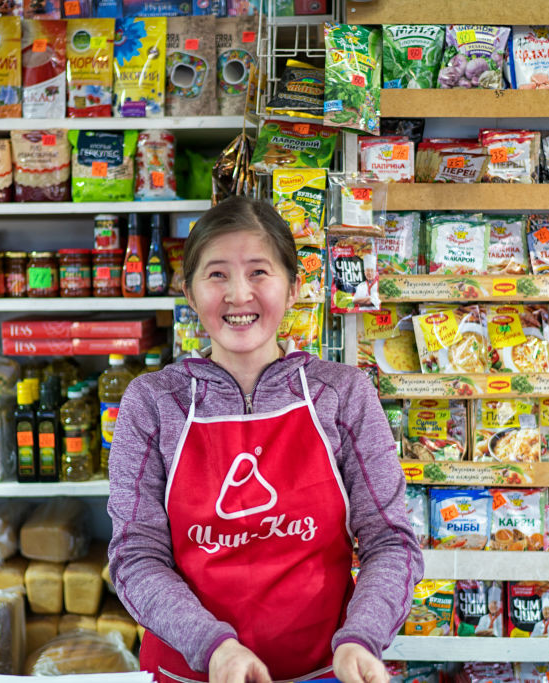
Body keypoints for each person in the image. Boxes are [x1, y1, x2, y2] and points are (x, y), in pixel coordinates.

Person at [107, 197, 424, 683]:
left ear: (294, 288)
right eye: (216, 275)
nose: (238, 294)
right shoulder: (152, 403)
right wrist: (213, 646)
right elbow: (135, 556)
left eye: (259, 272)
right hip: (194, 673)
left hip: (322, 670)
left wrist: (362, 636)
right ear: (189, 293)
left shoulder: (341, 394)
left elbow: (391, 541)